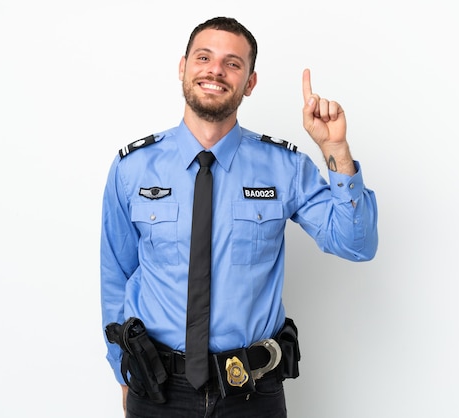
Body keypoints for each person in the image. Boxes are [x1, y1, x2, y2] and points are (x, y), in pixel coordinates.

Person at [100, 16, 378, 417]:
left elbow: (357, 245)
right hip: (157, 388)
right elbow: (116, 278)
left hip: (251, 391)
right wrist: (123, 372)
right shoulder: (132, 168)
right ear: (183, 68)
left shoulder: (285, 167)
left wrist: (336, 150)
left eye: (233, 63)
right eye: (204, 57)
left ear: (249, 82)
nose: (215, 69)